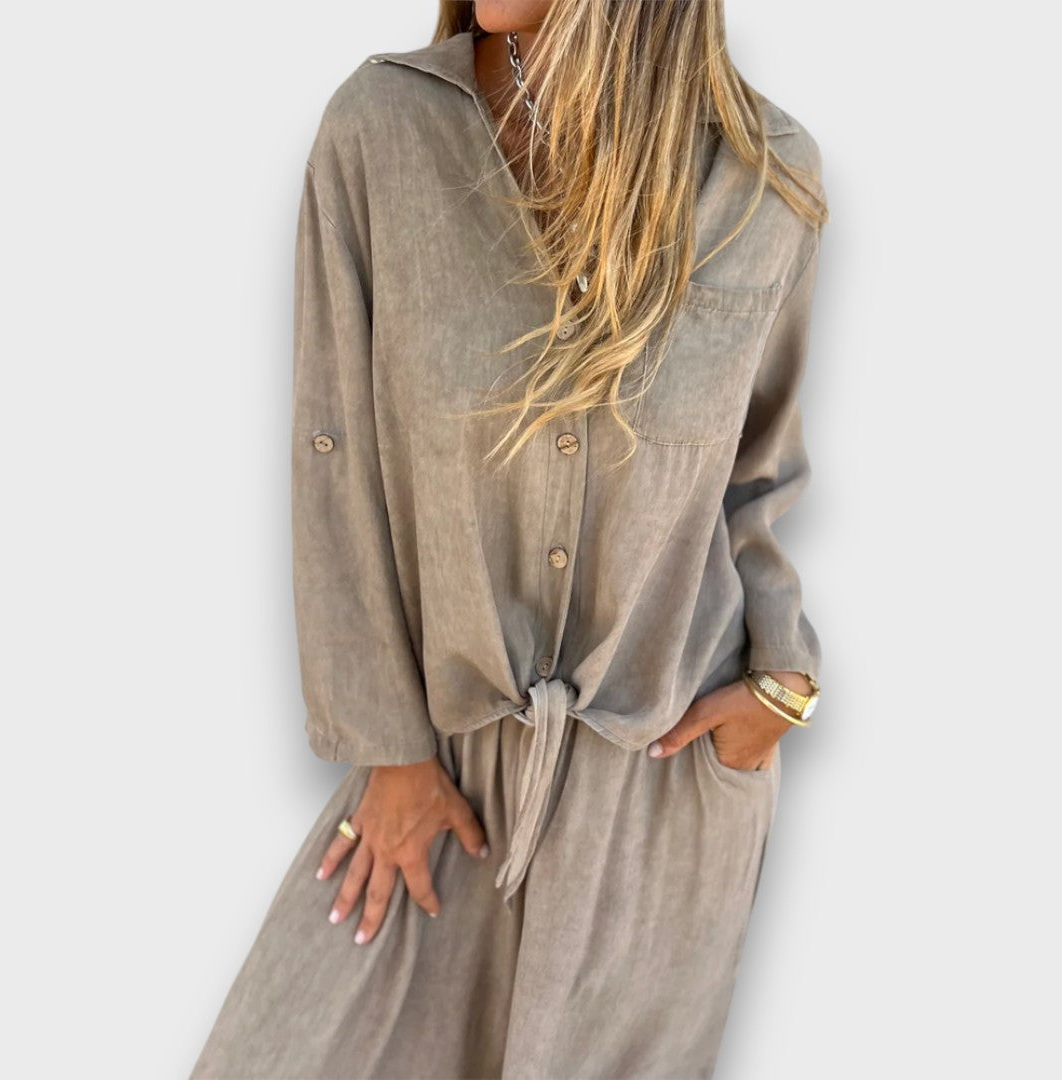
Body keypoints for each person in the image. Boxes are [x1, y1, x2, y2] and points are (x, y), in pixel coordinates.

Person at [191, 1, 828, 1076]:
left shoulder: (765, 178)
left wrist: (782, 684)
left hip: (662, 788)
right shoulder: (383, 129)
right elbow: (334, 450)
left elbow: (754, 468)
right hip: (441, 775)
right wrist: (391, 750)